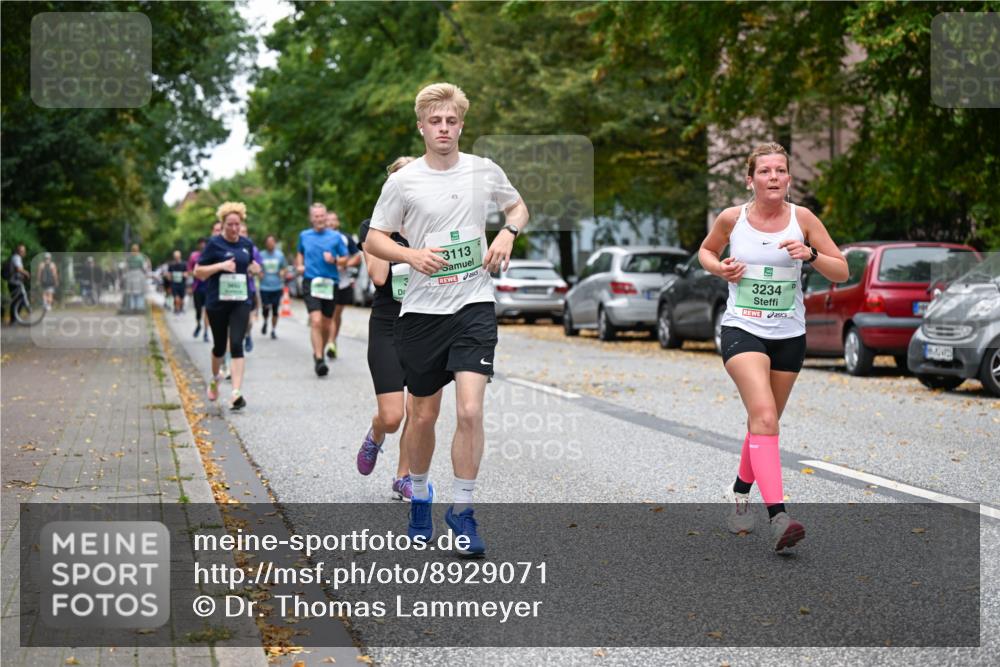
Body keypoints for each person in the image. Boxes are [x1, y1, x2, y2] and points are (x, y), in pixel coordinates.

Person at [366, 83, 529, 556]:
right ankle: (419, 493)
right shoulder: (403, 182)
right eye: (435, 121)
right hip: (420, 313)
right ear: (421, 126)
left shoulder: (483, 170)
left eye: (451, 121)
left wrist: (508, 233)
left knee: (471, 409)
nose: (444, 128)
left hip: (473, 305)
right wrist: (411, 254)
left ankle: (463, 510)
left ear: (461, 124)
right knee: (422, 415)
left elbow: (517, 205)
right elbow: (375, 239)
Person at [698, 142, 848, 552]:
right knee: (763, 414)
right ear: (751, 180)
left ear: (788, 178)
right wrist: (720, 269)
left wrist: (811, 253)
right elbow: (706, 251)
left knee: (763, 423)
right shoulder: (733, 219)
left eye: (780, 170)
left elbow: (842, 268)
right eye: (765, 171)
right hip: (742, 329)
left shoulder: (803, 219)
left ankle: (739, 493)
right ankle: (779, 517)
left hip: (789, 335)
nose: (774, 177)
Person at [356, 156, 417, 501]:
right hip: (388, 326)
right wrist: (392, 231)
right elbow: (379, 276)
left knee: (420, 411)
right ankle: (376, 433)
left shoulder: (433, 225)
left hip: (426, 325)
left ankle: (403, 477)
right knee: (393, 416)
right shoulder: (373, 229)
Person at [195, 202, 260, 411]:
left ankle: (236, 393)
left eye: (237, 225)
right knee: (220, 346)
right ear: (222, 224)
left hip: (241, 300)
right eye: (230, 224)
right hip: (217, 302)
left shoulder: (247, 244)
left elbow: (249, 265)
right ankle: (215, 379)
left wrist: (254, 268)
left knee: (237, 342)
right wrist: (221, 266)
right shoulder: (214, 244)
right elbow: (198, 271)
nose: (234, 229)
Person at [296, 202, 350, 377]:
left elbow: (345, 259)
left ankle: (320, 349)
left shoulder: (335, 237)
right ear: (311, 218)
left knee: (327, 324)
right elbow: (300, 253)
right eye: (316, 216)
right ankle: (319, 359)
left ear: (326, 217)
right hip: (311, 282)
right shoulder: (304, 235)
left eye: (322, 216)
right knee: (316, 321)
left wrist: (334, 260)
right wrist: (299, 265)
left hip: (330, 283)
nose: (319, 219)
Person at [326, 211, 363, 359]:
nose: (331, 223)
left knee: (336, 315)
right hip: (326, 282)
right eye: (328, 220)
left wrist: (343, 264)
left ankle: (332, 341)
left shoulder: (345, 238)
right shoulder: (321, 238)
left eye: (333, 220)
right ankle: (330, 342)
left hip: (343, 282)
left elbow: (357, 257)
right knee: (331, 314)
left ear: (337, 223)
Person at [240, 221, 263, 354]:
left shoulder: (252, 249)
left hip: (249, 288)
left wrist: (254, 269)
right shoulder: (229, 247)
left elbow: (259, 269)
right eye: (240, 232)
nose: (242, 234)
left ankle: (248, 335)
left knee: (248, 320)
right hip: (233, 291)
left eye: (244, 232)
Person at [258, 235, 287, 340]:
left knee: (275, 310)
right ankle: (265, 321)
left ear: (275, 243)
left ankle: (273, 330)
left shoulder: (280, 255)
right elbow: (257, 268)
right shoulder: (261, 255)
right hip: (264, 286)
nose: (270, 244)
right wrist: (259, 273)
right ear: (266, 243)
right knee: (265, 307)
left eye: (272, 241)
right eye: (268, 242)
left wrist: (282, 273)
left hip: (277, 286)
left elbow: (284, 268)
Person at [188, 237, 210, 341]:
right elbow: (189, 271)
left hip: (209, 288)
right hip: (197, 287)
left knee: (207, 311)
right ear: (198, 245)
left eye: (204, 244)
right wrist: (198, 275)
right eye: (201, 244)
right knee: (198, 311)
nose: (202, 246)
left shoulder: (211, 255)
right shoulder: (194, 256)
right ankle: (198, 325)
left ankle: (206, 332)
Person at [5, 244, 30, 323]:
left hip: (15, 282)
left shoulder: (16, 258)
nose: (23, 252)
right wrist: (26, 273)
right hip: (14, 283)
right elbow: (18, 269)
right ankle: (13, 320)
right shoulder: (17, 258)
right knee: (17, 301)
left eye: (24, 251)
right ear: (18, 251)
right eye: (22, 251)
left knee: (17, 301)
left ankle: (15, 319)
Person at [124, 244, 149, 313]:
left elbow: (126, 267)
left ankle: (132, 307)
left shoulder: (129, 257)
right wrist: (146, 274)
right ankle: (139, 307)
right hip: (139, 274)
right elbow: (144, 267)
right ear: (138, 249)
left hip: (130, 274)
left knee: (131, 292)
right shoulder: (141, 257)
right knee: (140, 292)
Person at [167, 250, 187, 315]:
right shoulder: (171, 264)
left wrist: (184, 274)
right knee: (176, 297)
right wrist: (169, 277)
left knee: (181, 298)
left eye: (177, 256)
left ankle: (181, 308)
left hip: (182, 284)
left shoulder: (184, 264)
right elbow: (169, 274)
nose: (176, 258)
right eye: (175, 256)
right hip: (174, 284)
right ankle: (176, 309)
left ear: (180, 256)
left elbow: (187, 273)